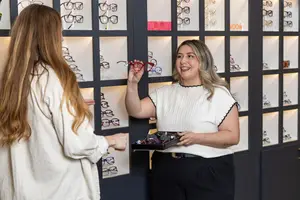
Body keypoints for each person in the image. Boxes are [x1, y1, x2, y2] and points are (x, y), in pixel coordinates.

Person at [0, 4, 127, 200]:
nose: (61, 38)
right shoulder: (54, 77)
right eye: (59, 32)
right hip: (61, 191)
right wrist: (111, 140)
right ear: (48, 36)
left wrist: (72, 105)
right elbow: (77, 143)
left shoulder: (11, 81)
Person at [125, 39, 240, 200]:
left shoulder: (218, 94)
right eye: (179, 56)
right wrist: (132, 84)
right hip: (166, 169)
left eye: (190, 56)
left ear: (203, 61)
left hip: (207, 170)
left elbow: (232, 136)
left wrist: (197, 138)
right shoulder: (165, 93)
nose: (183, 61)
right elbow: (135, 110)